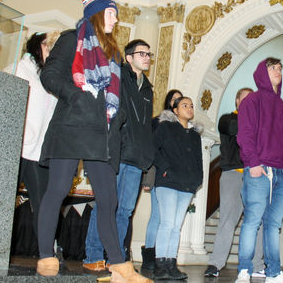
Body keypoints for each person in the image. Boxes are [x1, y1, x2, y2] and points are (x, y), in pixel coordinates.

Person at [35, 0, 151, 283]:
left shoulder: (112, 52)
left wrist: (119, 114)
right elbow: (50, 76)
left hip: (102, 131)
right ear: (97, 14)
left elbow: (118, 93)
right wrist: (77, 96)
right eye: (111, 13)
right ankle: (45, 256)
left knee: (108, 198)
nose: (116, 19)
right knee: (58, 189)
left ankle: (119, 266)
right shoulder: (71, 38)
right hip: (72, 125)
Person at [83, 39, 155, 271]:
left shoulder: (148, 88)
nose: (146, 57)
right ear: (129, 57)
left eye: (148, 54)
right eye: (141, 53)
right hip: (116, 152)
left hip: (136, 158)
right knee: (106, 205)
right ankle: (93, 256)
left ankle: (115, 259)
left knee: (124, 211)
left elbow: (145, 127)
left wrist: (147, 156)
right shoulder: (118, 77)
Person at [235, 57, 283, 283]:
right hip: (259, 169)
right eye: (273, 68)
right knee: (253, 219)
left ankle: (273, 272)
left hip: (282, 174)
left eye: (280, 68)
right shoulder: (251, 101)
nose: (277, 71)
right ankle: (244, 269)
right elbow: (245, 134)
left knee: (274, 224)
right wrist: (253, 163)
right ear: (263, 71)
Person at [204, 88, 265, 278]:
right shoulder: (227, 119)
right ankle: (215, 263)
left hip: (256, 176)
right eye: (245, 98)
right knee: (227, 221)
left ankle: (257, 265)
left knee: (258, 223)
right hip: (233, 174)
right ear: (237, 101)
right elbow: (233, 129)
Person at [152, 97, 203, 280]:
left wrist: (199, 178)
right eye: (184, 105)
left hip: (187, 185)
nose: (189, 108)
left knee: (176, 226)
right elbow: (152, 148)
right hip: (168, 182)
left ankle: (171, 264)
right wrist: (164, 168)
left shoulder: (195, 135)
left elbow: (199, 160)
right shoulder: (166, 127)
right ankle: (160, 265)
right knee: (167, 223)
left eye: (191, 105)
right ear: (175, 110)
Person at [14, 31, 59, 242]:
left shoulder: (50, 77)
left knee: (44, 203)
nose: (51, 49)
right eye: (47, 45)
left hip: (40, 150)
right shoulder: (22, 68)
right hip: (18, 145)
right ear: (36, 46)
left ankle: (47, 253)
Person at [140, 89, 183, 272]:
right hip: (160, 174)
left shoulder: (182, 125)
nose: (176, 102)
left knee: (171, 220)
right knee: (157, 217)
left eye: (179, 100)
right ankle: (149, 257)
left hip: (177, 177)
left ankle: (163, 257)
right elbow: (152, 148)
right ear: (168, 103)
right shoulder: (158, 121)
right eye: (173, 99)